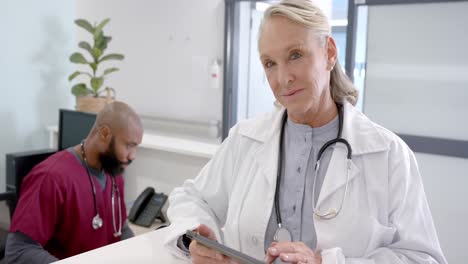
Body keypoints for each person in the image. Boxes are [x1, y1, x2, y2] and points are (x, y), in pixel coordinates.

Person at [164, 1, 447, 264]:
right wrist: (197, 237)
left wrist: (328, 262)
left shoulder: (388, 154)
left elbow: (423, 258)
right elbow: (189, 197)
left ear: (330, 53)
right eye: (269, 63)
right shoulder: (246, 139)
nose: (282, 78)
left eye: (295, 55)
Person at [5, 101, 143, 263]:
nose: (133, 155)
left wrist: (136, 253)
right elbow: (18, 251)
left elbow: (120, 229)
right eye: (129, 145)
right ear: (105, 134)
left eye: (136, 147)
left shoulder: (114, 174)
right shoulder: (50, 178)